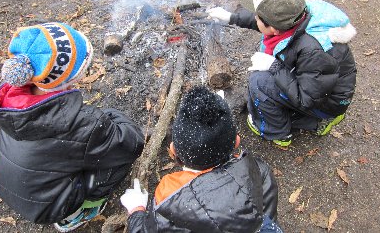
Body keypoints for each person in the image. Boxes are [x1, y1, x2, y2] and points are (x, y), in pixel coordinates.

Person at [0, 23, 144, 232]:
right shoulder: (82, 122)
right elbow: (131, 143)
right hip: (48, 206)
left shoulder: (13, 100)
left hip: (7, 185)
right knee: (117, 162)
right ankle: (74, 214)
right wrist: (108, 116)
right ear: (67, 77)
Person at [207, 0, 357, 147]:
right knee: (265, 61)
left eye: (257, 17)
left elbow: (306, 99)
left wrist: (274, 66)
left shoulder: (313, 50)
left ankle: (278, 132)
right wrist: (231, 18)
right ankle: (312, 117)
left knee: (259, 81)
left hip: (325, 102)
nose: (255, 18)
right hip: (320, 85)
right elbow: (266, 23)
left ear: (274, 28)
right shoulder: (297, 14)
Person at [120, 85, 282, 233]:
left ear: (173, 150)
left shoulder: (170, 198)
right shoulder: (260, 170)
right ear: (236, 141)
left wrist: (136, 211)